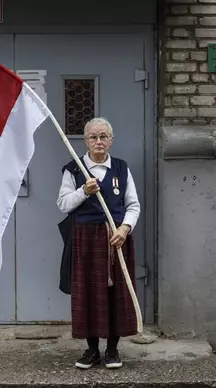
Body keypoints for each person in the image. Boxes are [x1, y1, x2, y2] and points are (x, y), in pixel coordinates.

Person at [56, 117, 141, 369]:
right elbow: (62, 204)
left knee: (116, 293)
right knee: (88, 294)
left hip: (116, 240)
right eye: (93, 137)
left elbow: (133, 205)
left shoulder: (122, 168)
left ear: (111, 141)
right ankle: (92, 350)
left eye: (103, 136)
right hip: (85, 240)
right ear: (86, 141)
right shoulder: (73, 169)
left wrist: (125, 228)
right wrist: (84, 191)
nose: (99, 141)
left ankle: (113, 350)